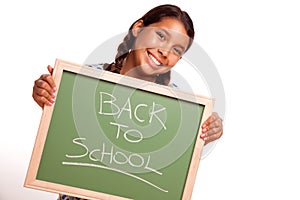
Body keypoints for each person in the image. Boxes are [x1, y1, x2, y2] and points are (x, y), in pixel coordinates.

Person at [32, 4, 223, 200]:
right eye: (161, 36)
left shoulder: (181, 107)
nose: (165, 52)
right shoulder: (86, 80)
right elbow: (62, 134)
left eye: (176, 50)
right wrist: (48, 94)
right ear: (138, 28)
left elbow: (173, 171)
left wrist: (210, 128)